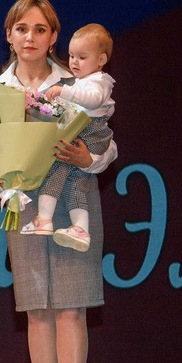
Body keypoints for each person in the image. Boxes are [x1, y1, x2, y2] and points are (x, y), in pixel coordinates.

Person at [0, 0, 117, 363]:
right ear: (9, 35)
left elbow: (108, 143)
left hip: (73, 197)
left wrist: (90, 159)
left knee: (71, 309)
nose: (30, 37)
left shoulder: (78, 80)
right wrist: (4, 185)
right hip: (23, 202)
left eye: (40, 29)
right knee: (38, 312)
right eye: (22, 29)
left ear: (54, 36)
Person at [22, 24, 115, 252]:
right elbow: (64, 112)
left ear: (101, 60)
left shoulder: (99, 81)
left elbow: (92, 99)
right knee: (75, 183)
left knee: (55, 168)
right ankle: (80, 229)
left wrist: (64, 91)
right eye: (72, 56)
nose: (74, 62)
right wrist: (41, 106)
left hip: (90, 133)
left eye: (82, 57)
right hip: (81, 131)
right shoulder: (79, 83)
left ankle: (44, 219)